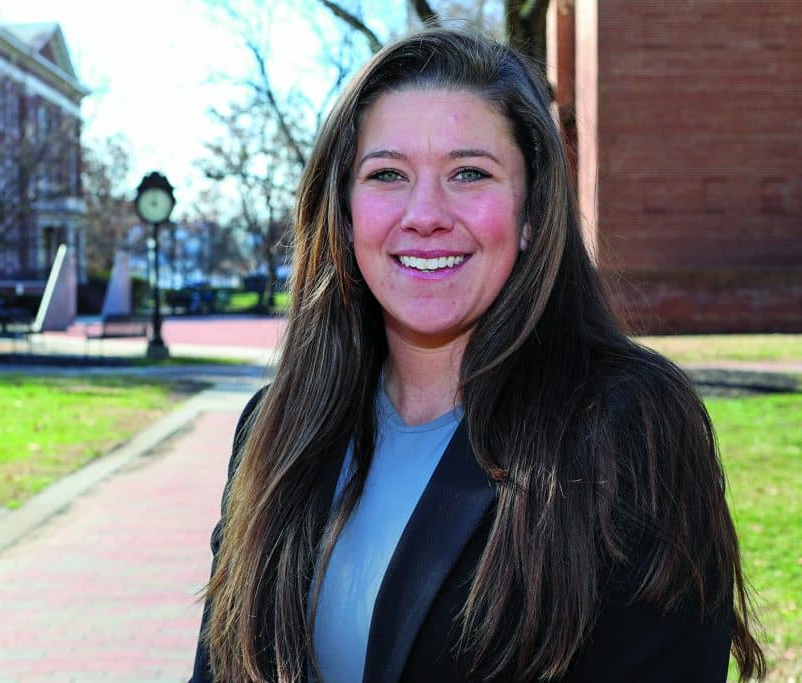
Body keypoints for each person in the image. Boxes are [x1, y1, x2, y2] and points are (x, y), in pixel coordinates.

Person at [191, 27, 765, 683]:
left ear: (531, 213)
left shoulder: (625, 427)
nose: (425, 212)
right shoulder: (276, 427)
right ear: (346, 215)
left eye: (469, 173)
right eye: (387, 174)